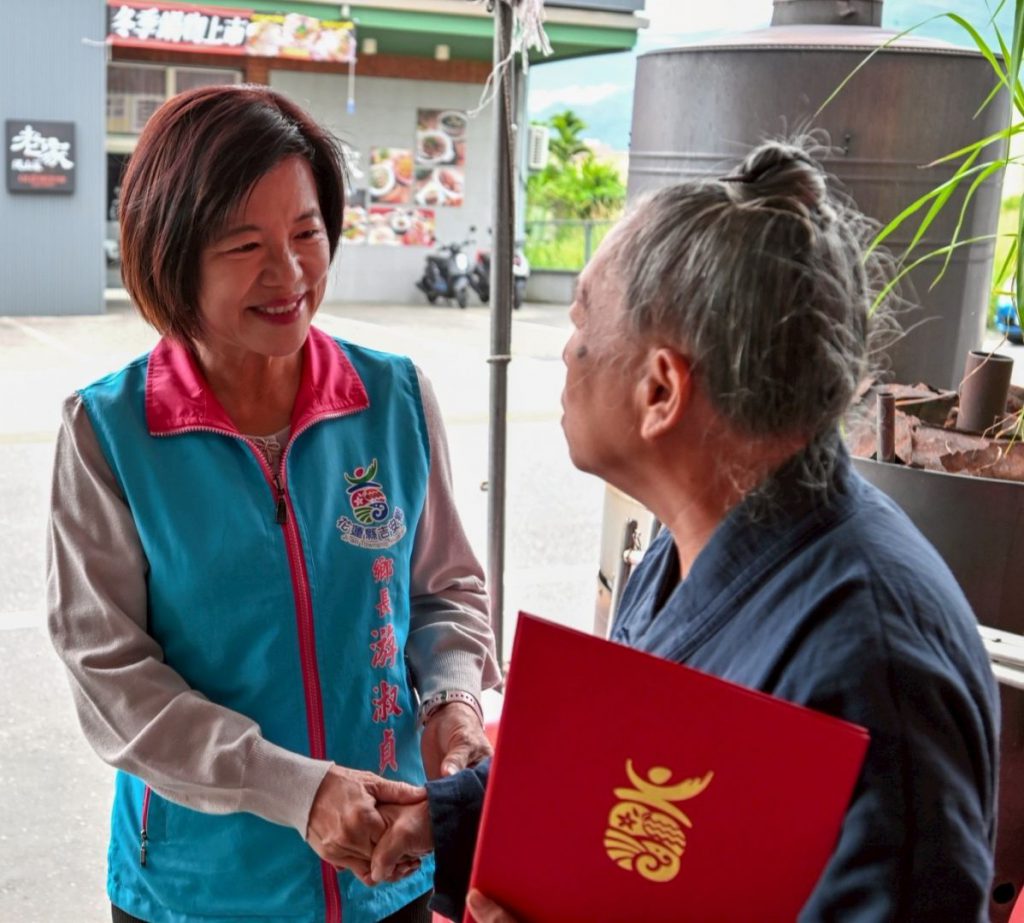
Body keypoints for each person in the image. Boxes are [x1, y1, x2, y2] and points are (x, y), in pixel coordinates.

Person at [365, 142, 1000, 922]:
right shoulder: (693, 537)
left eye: (583, 324)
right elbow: (635, 761)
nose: (566, 351)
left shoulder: (869, 667)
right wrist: (449, 814)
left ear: (661, 388)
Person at [46, 84, 499, 923]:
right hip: (197, 890)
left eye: (306, 234)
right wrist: (296, 787)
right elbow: (110, 672)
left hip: (384, 870)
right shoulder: (108, 432)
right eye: (245, 244)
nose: (288, 272)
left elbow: (445, 594)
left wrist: (453, 705)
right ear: (173, 254)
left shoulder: (393, 397)